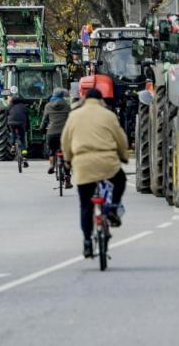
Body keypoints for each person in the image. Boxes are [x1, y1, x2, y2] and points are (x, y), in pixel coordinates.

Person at [60, 88, 129, 258]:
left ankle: (87, 242)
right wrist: (124, 156)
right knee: (120, 179)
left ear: (84, 99)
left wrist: (68, 160)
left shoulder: (74, 116)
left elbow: (65, 141)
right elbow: (121, 139)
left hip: (82, 165)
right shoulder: (108, 115)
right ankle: (113, 207)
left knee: (85, 205)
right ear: (101, 100)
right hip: (107, 163)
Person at [41, 88, 72, 188]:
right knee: (67, 156)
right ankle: (67, 180)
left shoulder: (48, 106)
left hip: (52, 133)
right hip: (64, 134)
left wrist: (42, 129)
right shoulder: (67, 105)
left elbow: (44, 120)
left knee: (52, 150)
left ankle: (51, 165)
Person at [7, 95, 29, 168]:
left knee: (13, 134)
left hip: (11, 123)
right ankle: (25, 158)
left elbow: (7, 115)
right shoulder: (24, 107)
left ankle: (13, 146)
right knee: (22, 141)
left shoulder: (10, 106)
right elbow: (27, 118)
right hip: (21, 124)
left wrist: (8, 124)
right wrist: (27, 128)